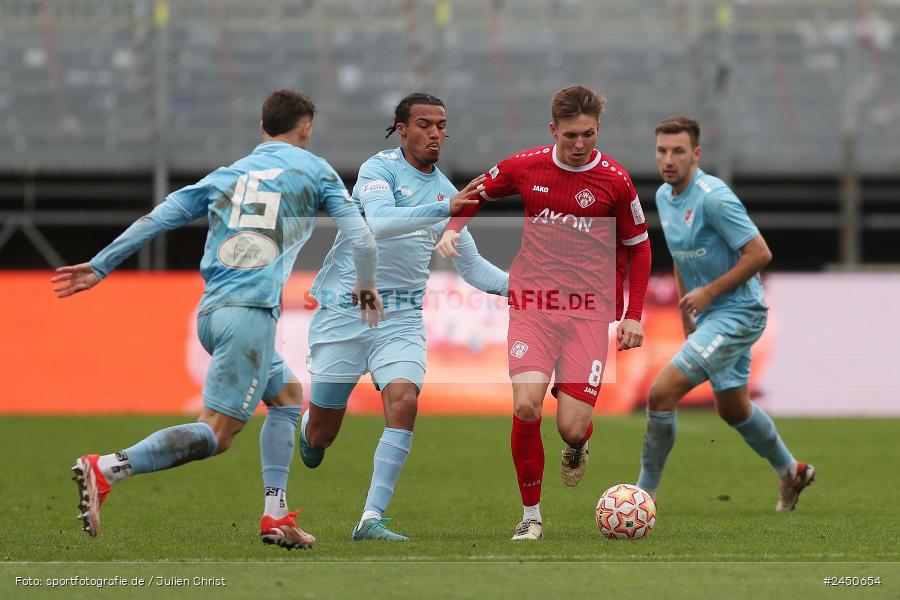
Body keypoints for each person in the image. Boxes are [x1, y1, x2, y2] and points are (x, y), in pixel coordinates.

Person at [51, 90, 383, 549]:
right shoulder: (315, 171)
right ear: (305, 128)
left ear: (262, 126)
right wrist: (366, 284)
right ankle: (106, 467)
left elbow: (157, 219)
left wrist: (100, 265)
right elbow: (363, 240)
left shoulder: (227, 175)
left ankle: (276, 514)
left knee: (287, 398)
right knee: (217, 434)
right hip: (249, 316)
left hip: (211, 312)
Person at [435, 85, 652, 541]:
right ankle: (531, 515)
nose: (579, 145)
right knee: (527, 404)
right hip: (534, 304)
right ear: (553, 130)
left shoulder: (616, 181)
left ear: (598, 130)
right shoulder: (525, 165)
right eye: (570, 135)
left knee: (570, 427)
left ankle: (578, 443)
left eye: (588, 135)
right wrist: (455, 229)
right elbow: (475, 192)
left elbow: (639, 247)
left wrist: (634, 314)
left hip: (589, 312)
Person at [300, 92, 509, 541]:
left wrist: (525, 287)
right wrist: (443, 210)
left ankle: (370, 519)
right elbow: (378, 223)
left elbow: (470, 266)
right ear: (402, 130)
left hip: (400, 317)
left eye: (441, 125)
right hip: (346, 307)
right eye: (424, 124)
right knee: (320, 436)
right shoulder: (379, 170)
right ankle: (310, 429)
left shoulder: (449, 195)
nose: (435, 133)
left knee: (405, 401)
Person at [637, 116, 814, 510]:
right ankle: (792, 471)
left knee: (660, 393)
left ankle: (642, 496)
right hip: (711, 317)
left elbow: (760, 253)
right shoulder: (666, 197)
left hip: (740, 312)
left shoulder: (714, 197)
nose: (668, 159)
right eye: (662, 151)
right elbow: (682, 259)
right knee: (732, 408)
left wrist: (709, 293)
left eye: (678, 151)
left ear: (696, 154)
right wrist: (688, 318)